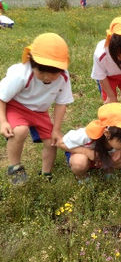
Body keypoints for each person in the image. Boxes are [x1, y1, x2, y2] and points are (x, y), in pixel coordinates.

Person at [0, 33, 73, 185]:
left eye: (53, 73)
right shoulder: (21, 74)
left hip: (40, 111)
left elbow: (61, 104)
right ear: (31, 62)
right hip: (17, 106)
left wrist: (57, 129)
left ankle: (46, 173)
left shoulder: (63, 77)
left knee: (52, 142)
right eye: (41, 72)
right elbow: (1, 97)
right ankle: (15, 168)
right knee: (20, 131)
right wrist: (3, 122)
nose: (47, 77)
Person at [58, 103, 121, 181]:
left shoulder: (120, 135)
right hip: (86, 158)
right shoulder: (86, 135)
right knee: (79, 162)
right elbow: (61, 143)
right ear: (107, 134)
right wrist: (87, 152)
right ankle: (82, 177)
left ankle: (108, 171)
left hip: (102, 158)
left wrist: (120, 150)